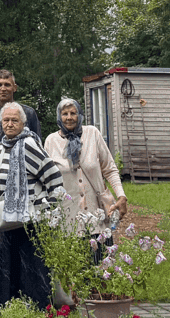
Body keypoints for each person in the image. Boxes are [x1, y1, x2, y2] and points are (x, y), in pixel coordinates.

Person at [0, 102, 63, 309]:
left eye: (14, 120)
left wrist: (46, 209)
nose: (9, 124)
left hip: (29, 221)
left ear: (23, 123)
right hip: (5, 219)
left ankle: (37, 315)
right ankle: (7, 315)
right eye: (6, 120)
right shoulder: (0, 146)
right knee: (5, 271)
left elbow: (54, 178)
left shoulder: (28, 145)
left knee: (31, 272)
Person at [43, 97, 127, 234]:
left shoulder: (92, 133)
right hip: (68, 217)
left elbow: (110, 169)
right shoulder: (51, 141)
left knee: (100, 253)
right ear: (59, 116)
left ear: (80, 115)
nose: (69, 118)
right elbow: (46, 179)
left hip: (97, 213)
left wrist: (121, 196)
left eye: (73, 113)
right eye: (65, 114)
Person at [0, 70, 42, 143]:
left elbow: (37, 142)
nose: (3, 89)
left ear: (15, 87)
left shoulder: (29, 113)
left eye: (7, 85)